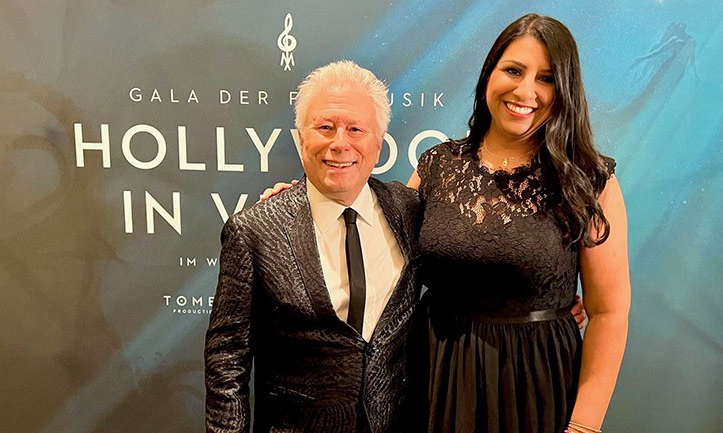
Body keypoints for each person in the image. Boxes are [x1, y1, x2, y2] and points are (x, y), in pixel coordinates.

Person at [407, 13, 631, 433]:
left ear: (564, 90)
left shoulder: (589, 181)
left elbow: (609, 312)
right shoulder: (435, 166)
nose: (525, 91)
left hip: (534, 382)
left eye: (545, 78)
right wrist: (301, 200)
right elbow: (376, 236)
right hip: (435, 373)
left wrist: (584, 424)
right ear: (489, 73)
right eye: (513, 70)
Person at [204, 60, 424, 433]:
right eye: (325, 127)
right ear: (302, 136)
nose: (340, 143)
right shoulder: (254, 231)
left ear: (378, 141)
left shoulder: (410, 210)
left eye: (356, 128)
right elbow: (227, 360)